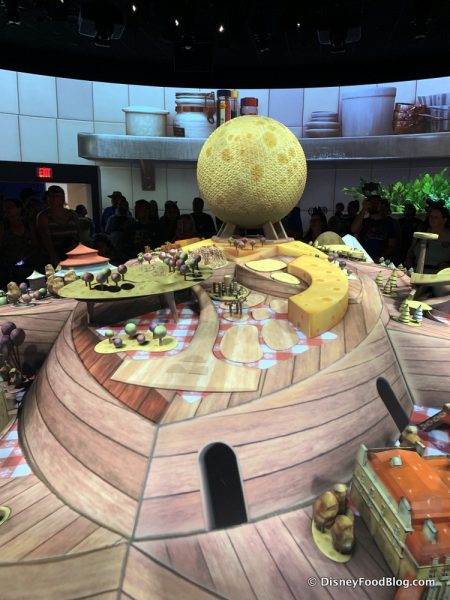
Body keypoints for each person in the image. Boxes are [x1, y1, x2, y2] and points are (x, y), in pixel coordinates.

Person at [36, 185, 80, 266]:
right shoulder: (43, 216)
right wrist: (53, 255)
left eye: (56, 196)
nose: (53, 199)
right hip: (54, 255)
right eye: (50, 196)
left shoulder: (72, 214)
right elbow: (45, 237)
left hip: (73, 254)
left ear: (63, 198)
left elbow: (78, 234)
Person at [0, 198, 38, 286]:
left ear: (19, 209)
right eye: (5, 208)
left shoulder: (28, 224)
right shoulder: (3, 226)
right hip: (9, 265)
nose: (7, 210)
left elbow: (36, 243)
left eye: (10, 207)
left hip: (29, 262)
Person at [350, 195, 397, 262]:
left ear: (381, 205)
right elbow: (353, 230)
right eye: (371, 203)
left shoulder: (389, 223)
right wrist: (364, 209)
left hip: (381, 261)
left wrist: (379, 258)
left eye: (376, 203)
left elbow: (391, 246)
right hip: (363, 259)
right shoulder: (364, 222)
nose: (373, 205)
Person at [405, 203, 450, 272]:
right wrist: (409, 258)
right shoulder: (422, 231)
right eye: (431, 216)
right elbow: (411, 250)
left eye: (436, 217)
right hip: (417, 271)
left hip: (439, 273)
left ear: (444, 220)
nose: (432, 219)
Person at [105, 197, 135, 261]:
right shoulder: (112, 218)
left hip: (127, 250)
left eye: (124, 205)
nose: (122, 207)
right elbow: (107, 232)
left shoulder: (131, 220)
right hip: (114, 249)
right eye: (120, 205)